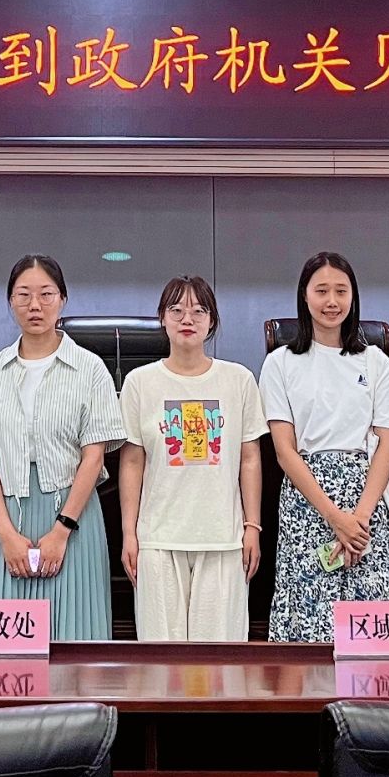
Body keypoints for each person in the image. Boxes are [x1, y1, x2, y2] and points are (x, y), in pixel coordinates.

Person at [0, 254, 124, 639]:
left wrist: (61, 530)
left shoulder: (90, 369)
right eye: (24, 295)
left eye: (46, 294)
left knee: (74, 636)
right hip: (3, 516)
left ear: (62, 299)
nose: (35, 305)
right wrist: (6, 533)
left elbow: (93, 456)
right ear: (10, 301)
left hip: (72, 516)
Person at [260, 251, 389, 641]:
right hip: (308, 501)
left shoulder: (375, 361)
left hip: (366, 499)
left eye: (341, 291)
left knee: (371, 626)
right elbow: (284, 451)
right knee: (310, 623)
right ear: (304, 296)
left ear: (353, 297)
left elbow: (386, 445)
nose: (332, 301)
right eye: (321, 291)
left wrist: (359, 519)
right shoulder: (280, 363)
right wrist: (335, 517)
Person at [118, 275, 267, 642]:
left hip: (223, 539)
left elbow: (250, 458)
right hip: (158, 539)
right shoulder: (140, 382)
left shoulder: (238, 380)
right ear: (162, 318)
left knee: (219, 660)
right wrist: (129, 534)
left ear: (211, 321)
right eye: (177, 310)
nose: (188, 319)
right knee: (160, 658)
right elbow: (132, 462)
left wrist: (252, 526)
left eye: (199, 311)